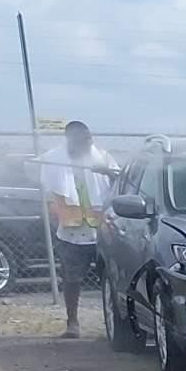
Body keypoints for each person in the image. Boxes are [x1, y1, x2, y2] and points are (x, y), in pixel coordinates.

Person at [39, 121, 119, 338]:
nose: (87, 142)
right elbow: (47, 184)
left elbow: (119, 181)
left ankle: (116, 324)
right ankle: (72, 323)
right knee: (72, 278)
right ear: (70, 139)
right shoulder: (56, 160)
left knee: (112, 279)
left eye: (89, 138)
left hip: (101, 230)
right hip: (71, 230)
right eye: (82, 139)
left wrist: (108, 173)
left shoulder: (102, 158)